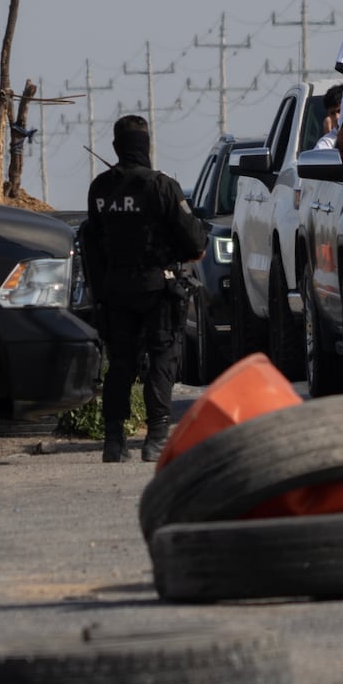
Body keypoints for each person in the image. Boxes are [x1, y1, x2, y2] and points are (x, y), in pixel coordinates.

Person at [80, 115, 209, 463]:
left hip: (114, 291)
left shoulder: (100, 189)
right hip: (157, 287)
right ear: (146, 146)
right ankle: (155, 438)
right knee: (163, 359)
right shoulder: (163, 187)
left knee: (120, 363)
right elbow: (196, 243)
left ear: (116, 147)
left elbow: (91, 240)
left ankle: (113, 440)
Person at [312, 83, 343, 151]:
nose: (337, 117)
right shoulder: (327, 142)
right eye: (332, 113)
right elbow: (316, 159)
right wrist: (338, 145)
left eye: (339, 111)